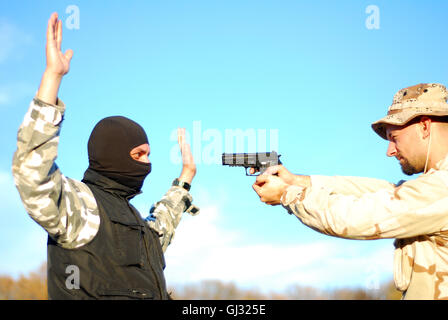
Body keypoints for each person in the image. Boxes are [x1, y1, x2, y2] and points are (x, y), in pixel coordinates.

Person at [12, 12, 199, 300]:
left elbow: (161, 227)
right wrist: (52, 77)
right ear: (112, 155)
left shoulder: (134, 220)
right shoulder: (79, 206)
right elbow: (32, 172)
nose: (147, 163)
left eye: (148, 155)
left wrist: (185, 178)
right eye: (138, 154)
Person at [252, 83, 448, 300]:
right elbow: (381, 192)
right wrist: (297, 181)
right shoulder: (434, 186)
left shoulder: (442, 187)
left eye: (394, 138)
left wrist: (288, 195)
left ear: (425, 126)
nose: (390, 151)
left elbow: (357, 217)